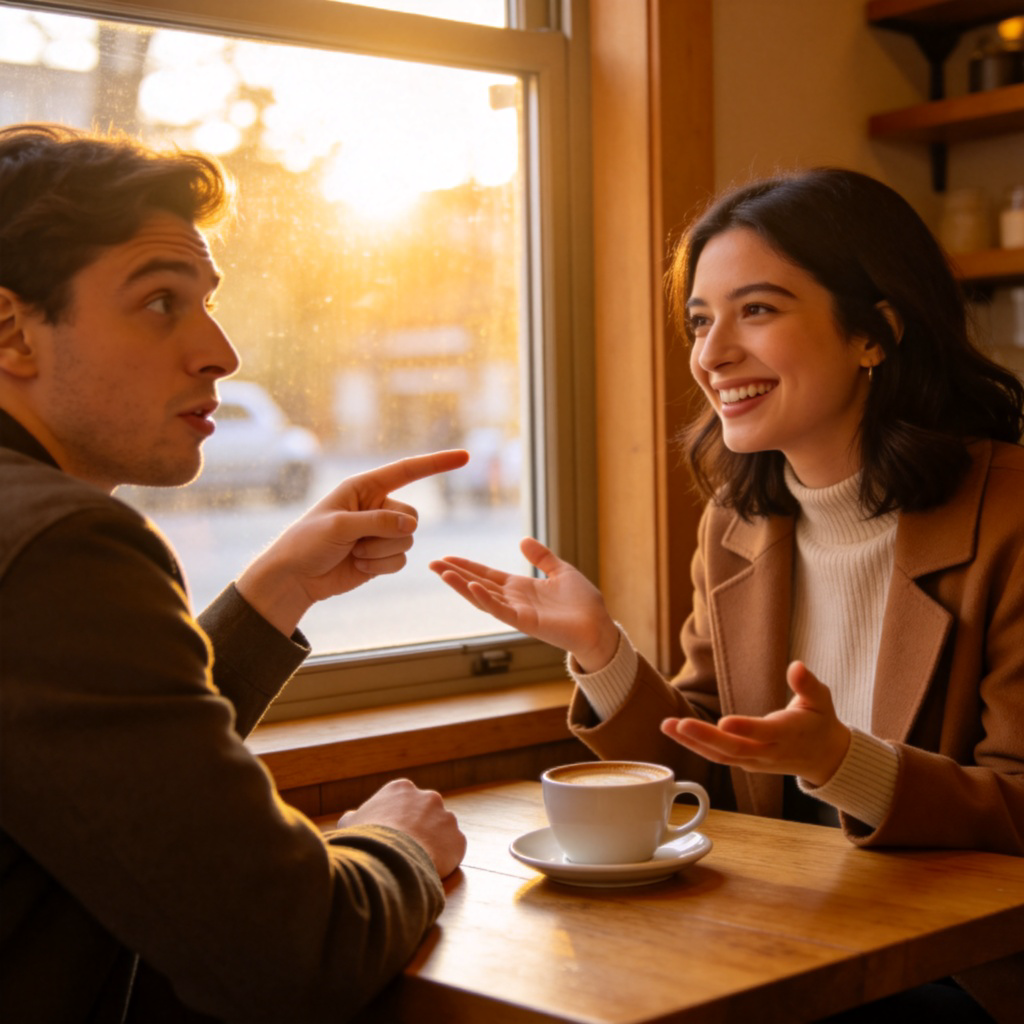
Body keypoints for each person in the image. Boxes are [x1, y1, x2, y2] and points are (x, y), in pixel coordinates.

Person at [431, 167, 1024, 1022]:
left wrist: (838, 763)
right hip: (783, 937)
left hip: (960, 972)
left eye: (758, 310)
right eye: (700, 321)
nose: (711, 355)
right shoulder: (738, 524)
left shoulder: (1010, 515)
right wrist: (600, 651)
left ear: (875, 333)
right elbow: (705, 768)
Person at [0, 122, 469, 1023]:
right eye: (160, 302)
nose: (220, 351)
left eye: (206, 301)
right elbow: (296, 953)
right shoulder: (61, 546)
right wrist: (396, 843)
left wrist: (276, 588)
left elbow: (90, 754)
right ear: (11, 331)